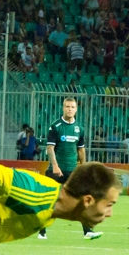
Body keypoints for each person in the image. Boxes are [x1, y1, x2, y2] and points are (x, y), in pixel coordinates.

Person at [39, 97, 92, 239]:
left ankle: (87, 231)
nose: (70, 109)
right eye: (67, 106)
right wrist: (55, 166)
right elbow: (50, 148)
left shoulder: (79, 129)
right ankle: (42, 231)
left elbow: (81, 150)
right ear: (63, 108)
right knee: (48, 200)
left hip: (72, 170)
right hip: (56, 170)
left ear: (76, 109)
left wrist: (83, 167)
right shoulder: (55, 126)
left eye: (72, 107)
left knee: (82, 199)